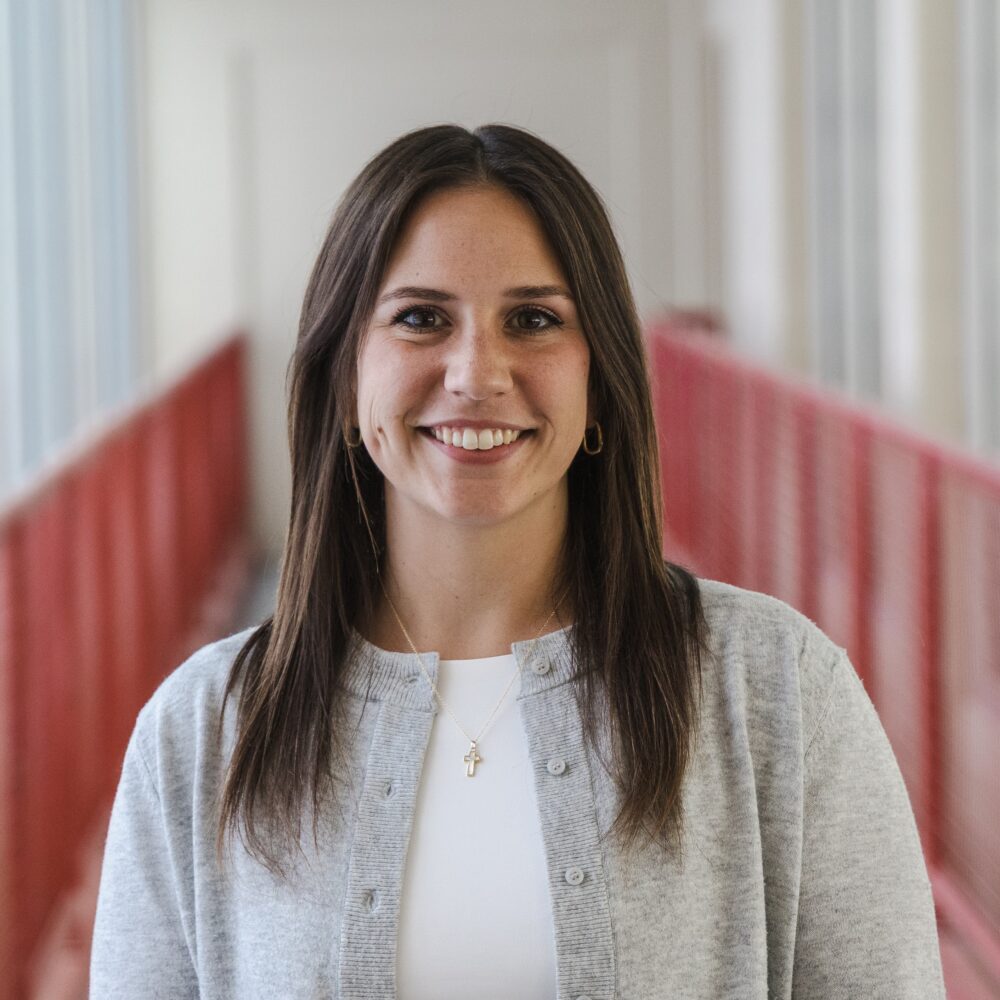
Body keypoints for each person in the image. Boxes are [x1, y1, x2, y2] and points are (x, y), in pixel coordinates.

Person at [89, 123, 946, 1000]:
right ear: (346, 380)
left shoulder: (779, 691)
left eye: (533, 320)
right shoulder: (200, 734)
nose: (476, 373)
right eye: (421, 318)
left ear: (599, 383)